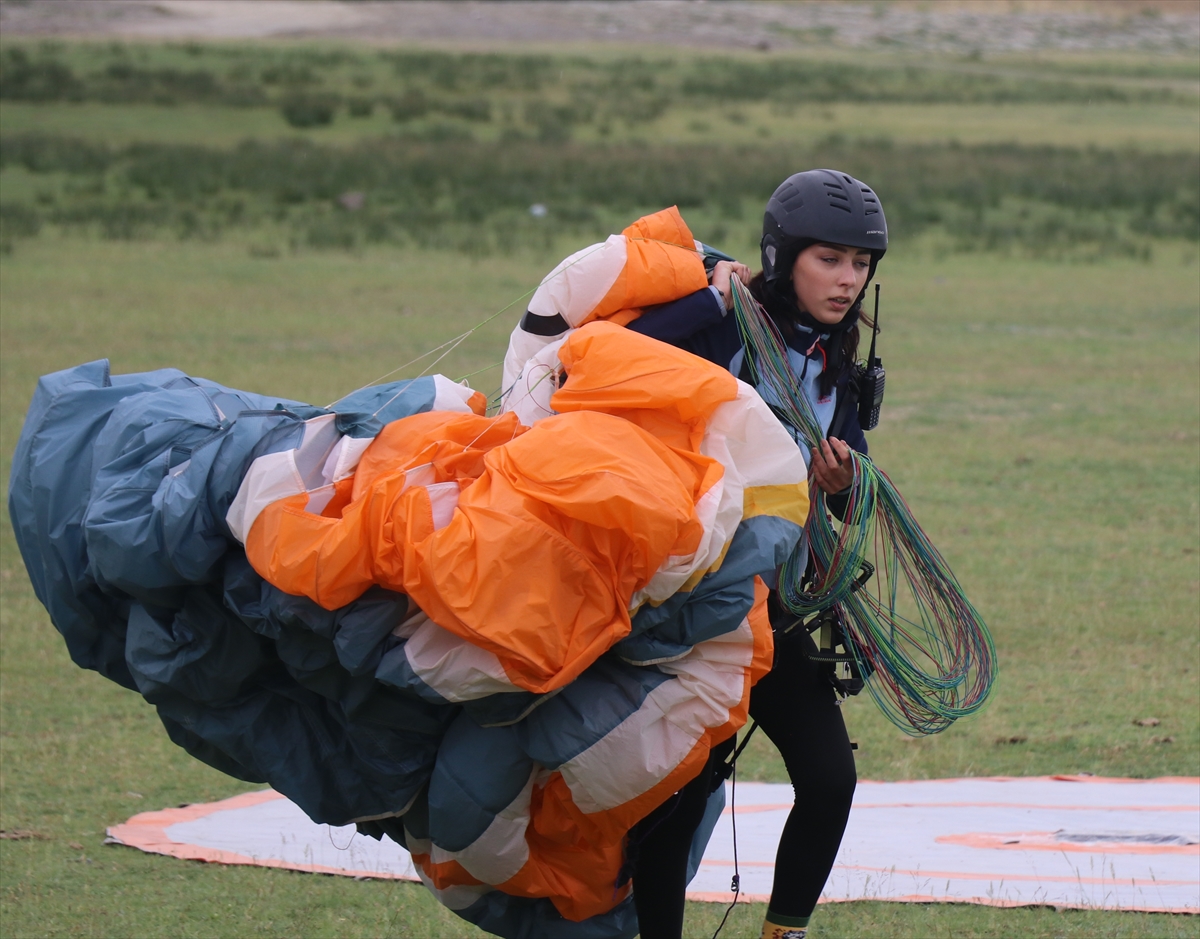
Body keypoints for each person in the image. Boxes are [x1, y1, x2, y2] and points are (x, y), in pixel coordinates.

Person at [624, 169, 888, 939]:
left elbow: (846, 483)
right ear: (784, 258)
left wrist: (842, 484)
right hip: (691, 607)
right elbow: (616, 356)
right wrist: (708, 296)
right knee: (679, 798)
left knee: (830, 779)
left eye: (861, 264)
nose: (848, 281)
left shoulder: (839, 362)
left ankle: (783, 932)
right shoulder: (724, 323)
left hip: (775, 609)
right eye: (829, 260)